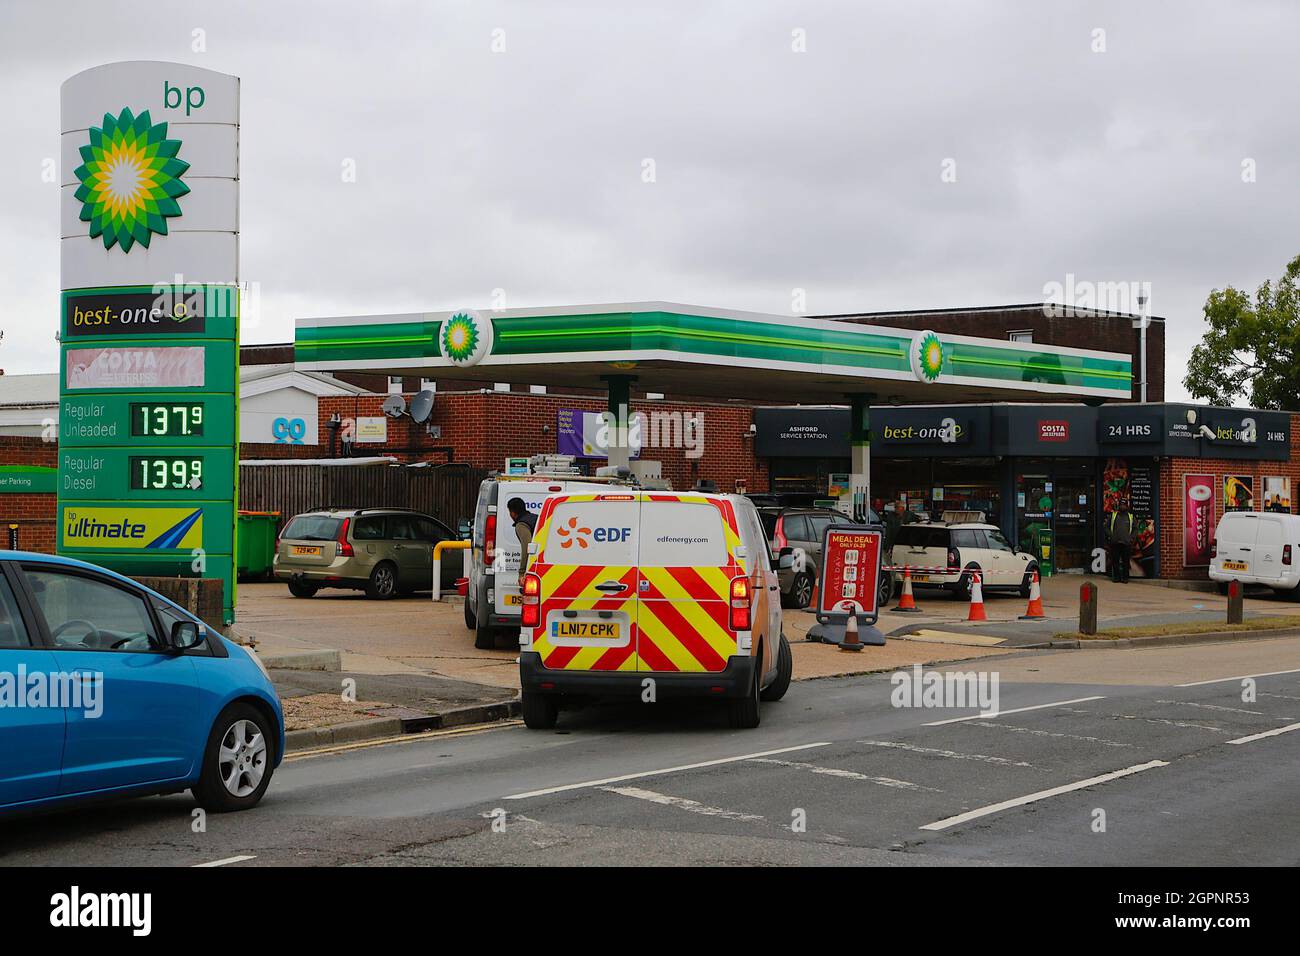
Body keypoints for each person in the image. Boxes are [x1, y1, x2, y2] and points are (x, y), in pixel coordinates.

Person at [1106, 500, 1135, 584]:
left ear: (1127, 506)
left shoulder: (1131, 517)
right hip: (1115, 543)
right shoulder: (1113, 516)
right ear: (1119, 506)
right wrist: (1111, 536)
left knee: (1126, 561)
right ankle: (1116, 577)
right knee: (1115, 561)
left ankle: (1125, 578)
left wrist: (1131, 537)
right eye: (1121, 505)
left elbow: (1135, 528)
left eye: (1124, 505)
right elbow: (1106, 527)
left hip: (1126, 543)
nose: (1123, 507)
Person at [507, 497, 536, 573]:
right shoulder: (535, 517)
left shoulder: (522, 525)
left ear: (512, 513)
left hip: (536, 564)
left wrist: (522, 571)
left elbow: (527, 548)